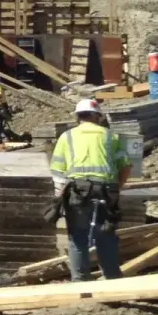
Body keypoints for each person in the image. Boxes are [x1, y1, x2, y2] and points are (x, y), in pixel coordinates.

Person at [49, 98, 131, 281]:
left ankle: (80, 283)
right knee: (106, 236)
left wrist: (58, 197)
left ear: (78, 117)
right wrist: (117, 188)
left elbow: (57, 171)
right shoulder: (111, 136)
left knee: (78, 237)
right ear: (98, 117)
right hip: (105, 191)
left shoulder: (67, 137)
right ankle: (112, 280)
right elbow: (126, 166)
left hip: (78, 191)